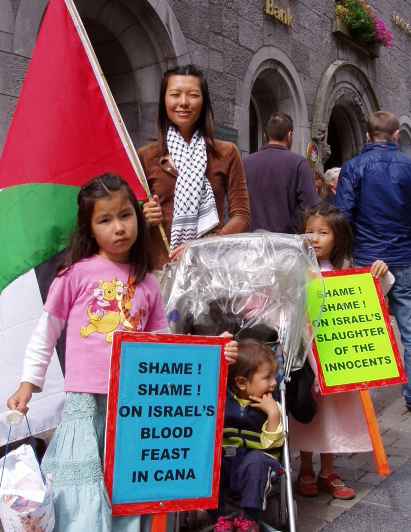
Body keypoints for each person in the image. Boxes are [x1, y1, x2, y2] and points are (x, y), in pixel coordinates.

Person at [6, 174, 238, 531]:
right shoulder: (74, 275)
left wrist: (214, 354)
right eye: (105, 219)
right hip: (85, 402)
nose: (118, 228)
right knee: (81, 489)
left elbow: (164, 347)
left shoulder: (147, 282)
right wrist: (28, 383)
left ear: (138, 216)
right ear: (89, 227)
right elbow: (45, 332)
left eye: (125, 215)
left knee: (127, 486)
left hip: (133, 402)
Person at [291, 203, 393, 500]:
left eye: (323, 232)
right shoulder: (295, 270)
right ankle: (306, 469)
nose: (315, 238)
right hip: (306, 357)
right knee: (307, 412)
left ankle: (328, 471)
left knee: (332, 416)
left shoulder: (344, 274)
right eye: (310, 231)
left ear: (338, 238)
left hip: (338, 357)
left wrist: (380, 273)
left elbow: (373, 297)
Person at [139, 64, 250, 270]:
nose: (183, 102)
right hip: (160, 268)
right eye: (175, 94)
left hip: (210, 267)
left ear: (204, 102)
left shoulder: (226, 153)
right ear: (164, 101)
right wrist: (144, 216)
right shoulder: (147, 156)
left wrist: (202, 246)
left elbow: (241, 215)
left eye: (193, 95)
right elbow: (129, 218)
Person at [336, 111, 411, 411]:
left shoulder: (354, 167)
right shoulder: (408, 166)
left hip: (367, 258)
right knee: (409, 329)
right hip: (404, 258)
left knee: (364, 327)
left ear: (368, 136)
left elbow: (343, 215)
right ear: (395, 136)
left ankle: (360, 395)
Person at [214, 339, 284, 532]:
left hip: (259, 461)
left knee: (256, 461)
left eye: (275, 377)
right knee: (211, 460)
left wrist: (273, 415)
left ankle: (249, 518)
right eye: (267, 377)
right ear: (242, 382)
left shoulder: (272, 405)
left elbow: (273, 446)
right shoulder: (222, 400)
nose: (274, 383)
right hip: (228, 460)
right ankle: (223, 516)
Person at [244, 112, 318, 233]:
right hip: (286, 242)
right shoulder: (299, 164)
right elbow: (311, 207)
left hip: (251, 242)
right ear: (290, 135)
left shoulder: (245, 163)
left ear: (265, 135)